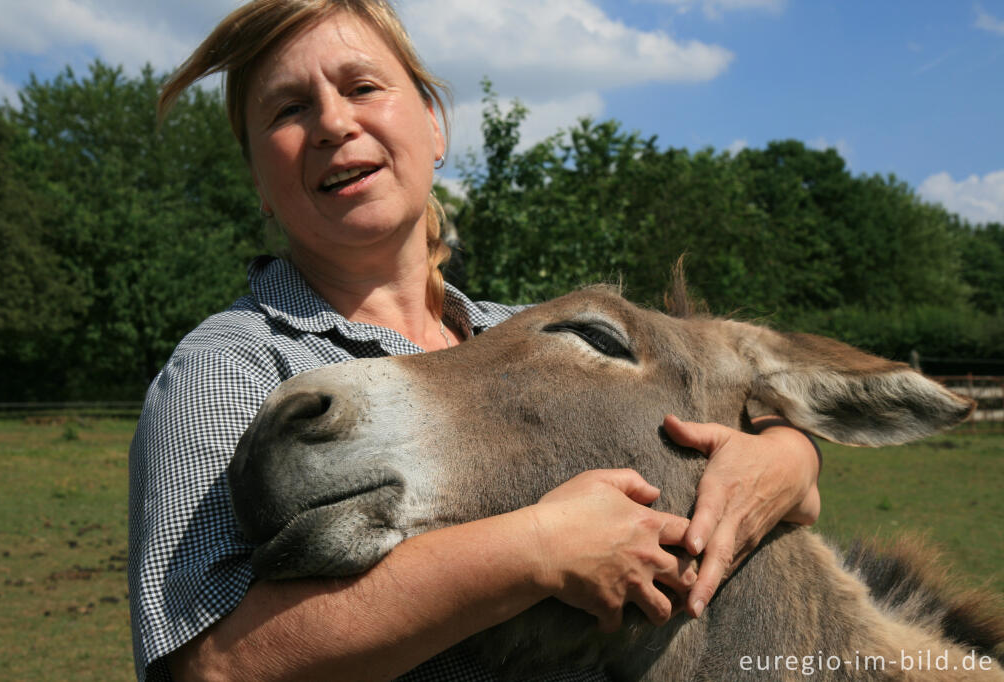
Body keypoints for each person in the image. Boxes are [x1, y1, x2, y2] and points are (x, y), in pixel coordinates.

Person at [128, 1, 821, 680]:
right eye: (287, 109)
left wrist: (788, 458)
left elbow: (694, 403)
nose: (334, 123)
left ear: (433, 127)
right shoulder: (226, 368)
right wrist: (534, 550)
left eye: (362, 86)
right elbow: (210, 666)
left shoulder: (520, 331)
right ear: (259, 182)